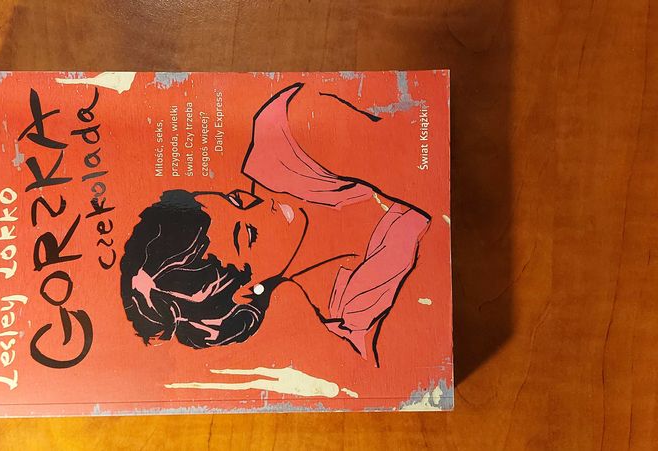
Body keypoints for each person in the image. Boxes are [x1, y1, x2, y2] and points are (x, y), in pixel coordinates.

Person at [119, 83, 431, 366]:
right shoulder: (353, 316)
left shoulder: (283, 135)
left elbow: (424, 127)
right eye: (248, 234)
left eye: (236, 199)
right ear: (246, 292)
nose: (261, 206)